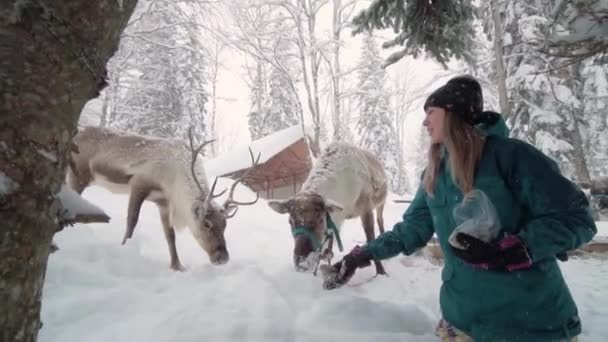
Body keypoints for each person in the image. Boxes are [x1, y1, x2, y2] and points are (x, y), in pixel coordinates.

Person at [322, 75, 597, 342]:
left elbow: (577, 217)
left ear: (452, 112)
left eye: (431, 111)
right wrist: (362, 255)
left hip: (532, 325)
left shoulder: (512, 157)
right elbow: (412, 230)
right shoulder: (433, 174)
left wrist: (518, 248)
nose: (424, 121)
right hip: (462, 322)